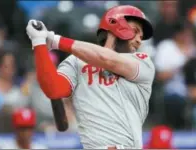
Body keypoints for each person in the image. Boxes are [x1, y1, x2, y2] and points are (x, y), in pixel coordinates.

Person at [26, 5, 155, 149]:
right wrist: (39, 42)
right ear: (116, 24)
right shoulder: (75, 62)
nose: (139, 40)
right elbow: (53, 89)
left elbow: (107, 59)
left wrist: (55, 40)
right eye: (136, 31)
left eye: (141, 37)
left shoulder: (143, 62)